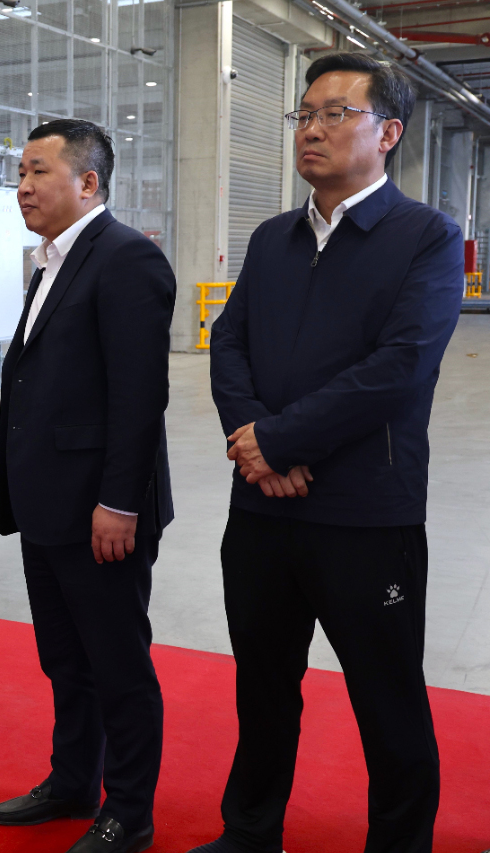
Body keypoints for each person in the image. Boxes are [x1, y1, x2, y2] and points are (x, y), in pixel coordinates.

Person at [192, 53, 463, 853]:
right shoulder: (273, 237)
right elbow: (228, 342)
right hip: (262, 511)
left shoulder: (426, 238)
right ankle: (249, 832)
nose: (311, 129)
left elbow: (399, 366)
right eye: (304, 114)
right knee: (262, 685)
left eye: (335, 113)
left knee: (387, 696)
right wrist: (254, 441)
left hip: (364, 512)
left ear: (388, 133)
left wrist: (279, 440)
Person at [0, 119, 175, 853]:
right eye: (21, 173)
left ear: (88, 182)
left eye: (38, 172)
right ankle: (73, 781)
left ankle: (129, 811)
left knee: (117, 666)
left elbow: (139, 396)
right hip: (48, 503)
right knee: (66, 660)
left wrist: (119, 501)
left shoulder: (125, 258)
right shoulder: (51, 262)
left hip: (103, 510)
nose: (23, 187)